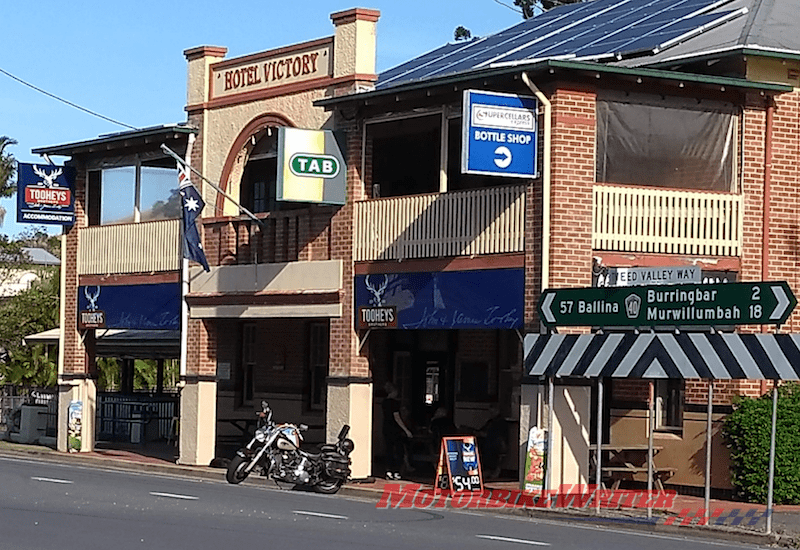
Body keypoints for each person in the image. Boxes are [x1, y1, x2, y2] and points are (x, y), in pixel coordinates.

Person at [382, 382, 412, 480]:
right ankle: (396, 471)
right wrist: (406, 430)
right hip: (395, 429)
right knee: (399, 450)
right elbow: (397, 418)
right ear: (394, 391)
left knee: (389, 449)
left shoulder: (384, 402)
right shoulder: (394, 403)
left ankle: (388, 470)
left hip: (386, 427)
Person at [477, 404, 508, 479]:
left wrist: (481, 434)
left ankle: (488, 472)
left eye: (492, 412)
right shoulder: (492, 421)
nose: (491, 414)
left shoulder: (498, 422)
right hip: (492, 445)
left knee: (489, 456)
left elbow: (492, 434)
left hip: (494, 446)